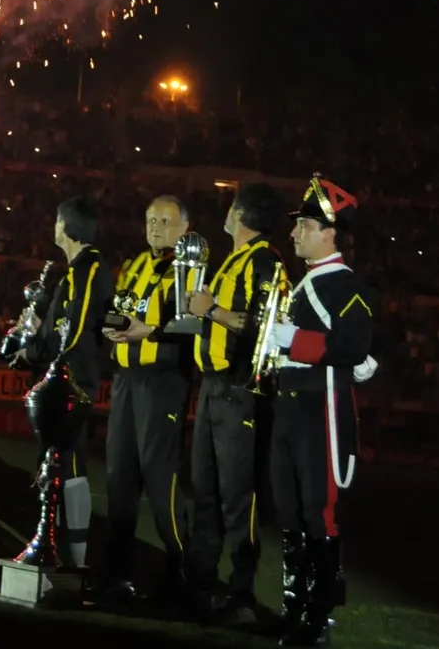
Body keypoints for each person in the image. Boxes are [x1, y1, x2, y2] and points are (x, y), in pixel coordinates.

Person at [266, 173, 377, 647]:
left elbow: (353, 345)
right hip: (290, 407)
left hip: (320, 411)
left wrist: (294, 341)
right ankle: (294, 604)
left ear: (329, 232)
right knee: (289, 510)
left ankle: (318, 612)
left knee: (318, 512)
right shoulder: (303, 283)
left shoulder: (346, 286)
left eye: (304, 226)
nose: (294, 234)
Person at [184, 183, 286, 626]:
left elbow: (268, 327)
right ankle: (202, 586)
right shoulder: (238, 259)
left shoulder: (267, 260)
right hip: (213, 389)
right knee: (204, 492)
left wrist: (211, 311)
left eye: (231, 206)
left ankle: (241, 595)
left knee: (235, 498)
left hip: (238, 391)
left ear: (241, 213)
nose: (225, 212)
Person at [98, 195, 193, 605]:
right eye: (151, 219)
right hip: (125, 381)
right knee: (119, 479)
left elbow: (189, 326)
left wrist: (148, 332)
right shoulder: (135, 264)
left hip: (162, 382)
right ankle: (116, 576)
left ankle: (185, 576)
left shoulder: (187, 269)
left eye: (165, 221)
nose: (156, 227)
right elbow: (121, 310)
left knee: (160, 480)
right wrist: (112, 327)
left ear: (184, 228)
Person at [17, 195, 113, 568]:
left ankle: (74, 556)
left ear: (67, 226)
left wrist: (38, 350)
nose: (53, 226)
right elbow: (63, 326)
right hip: (64, 376)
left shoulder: (87, 269)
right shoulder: (76, 270)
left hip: (72, 380)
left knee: (68, 463)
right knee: (61, 462)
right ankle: (60, 547)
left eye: (57, 220)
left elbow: (73, 331)